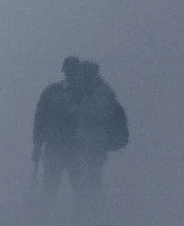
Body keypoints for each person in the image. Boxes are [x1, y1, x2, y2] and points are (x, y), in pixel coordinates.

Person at [33, 56, 130, 208]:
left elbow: (40, 120)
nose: (71, 76)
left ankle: (80, 223)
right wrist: (37, 145)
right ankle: (46, 219)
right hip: (62, 149)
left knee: (77, 191)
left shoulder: (82, 94)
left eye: (73, 73)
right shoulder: (60, 92)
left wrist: (38, 145)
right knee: (59, 188)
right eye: (69, 72)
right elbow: (40, 120)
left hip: (73, 150)